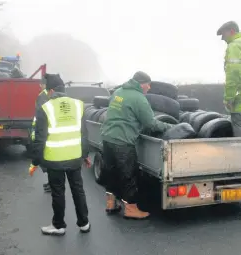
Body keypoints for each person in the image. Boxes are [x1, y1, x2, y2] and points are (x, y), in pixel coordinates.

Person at [101, 71, 172, 220]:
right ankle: (131, 209)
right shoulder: (139, 98)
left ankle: (110, 203)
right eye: (148, 84)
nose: (149, 88)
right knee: (128, 175)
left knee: (111, 172)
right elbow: (150, 123)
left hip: (107, 138)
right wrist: (168, 126)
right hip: (123, 141)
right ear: (141, 84)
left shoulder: (118, 92)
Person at [30, 73, 91, 236]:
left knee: (58, 192)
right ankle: (84, 223)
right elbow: (84, 133)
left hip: (54, 159)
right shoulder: (78, 105)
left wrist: (35, 162)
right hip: (74, 157)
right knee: (78, 189)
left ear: (50, 91)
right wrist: (85, 155)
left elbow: (40, 137)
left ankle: (58, 225)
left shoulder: (46, 108)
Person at [31, 78, 51, 192]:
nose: (40, 86)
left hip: (44, 131)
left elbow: (40, 114)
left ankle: (52, 184)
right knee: (48, 160)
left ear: (44, 85)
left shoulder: (42, 96)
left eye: (41, 84)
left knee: (46, 159)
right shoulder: (48, 94)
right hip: (48, 130)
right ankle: (51, 183)